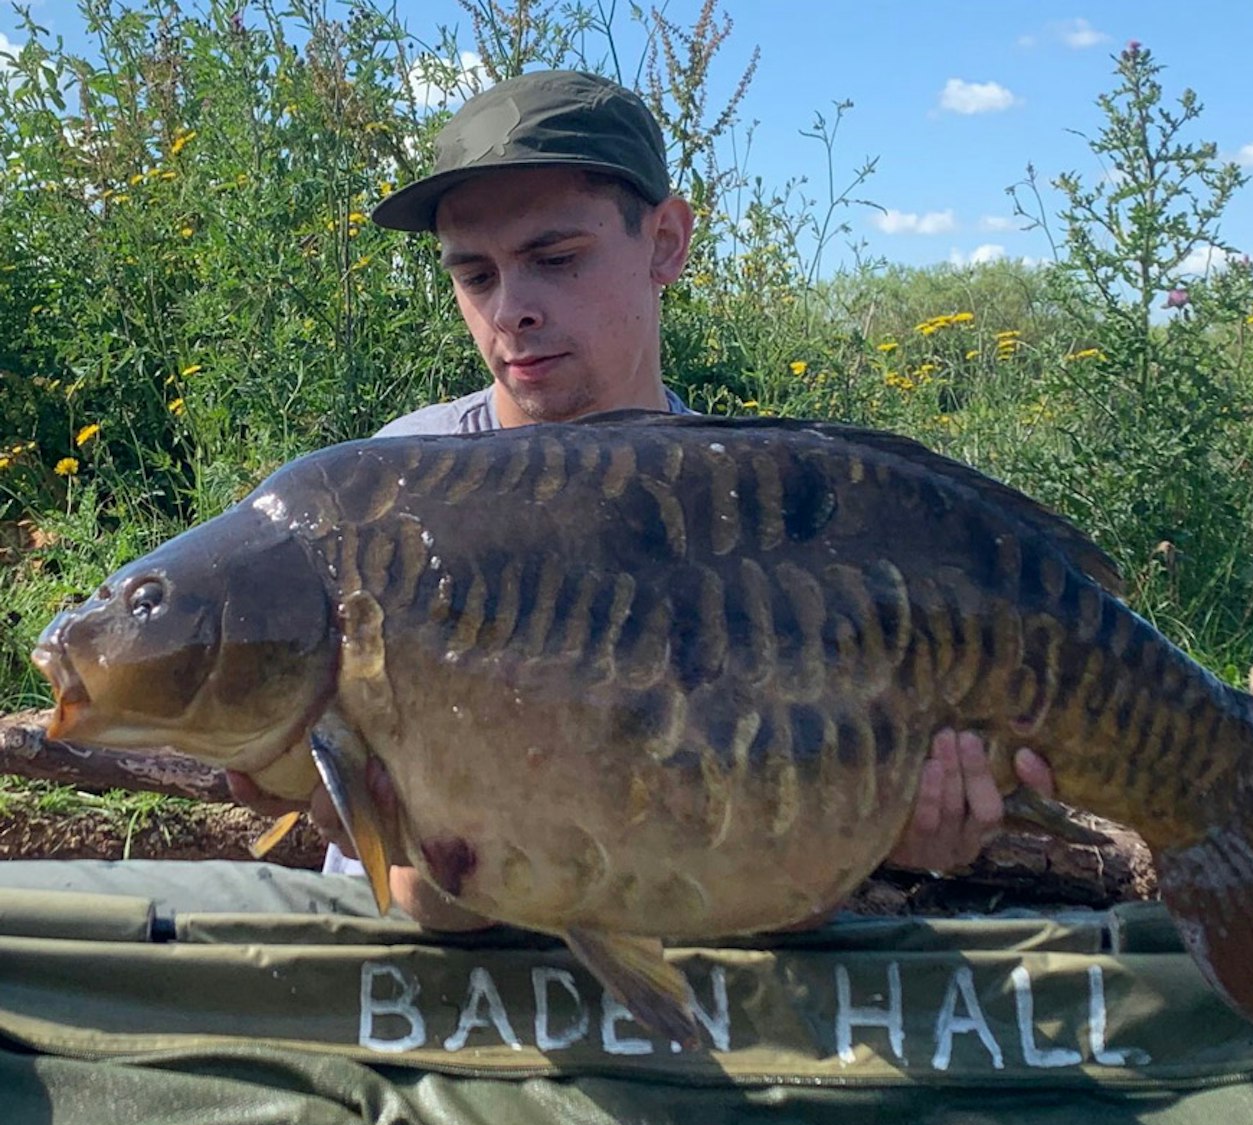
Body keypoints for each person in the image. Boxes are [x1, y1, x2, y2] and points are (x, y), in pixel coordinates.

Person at [228, 69, 1055, 927]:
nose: (511, 310)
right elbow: (416, 910)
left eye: (555, 260)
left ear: (666, 241)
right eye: (475, 275)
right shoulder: (384, 500)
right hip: (439, 996)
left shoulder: (756, 520)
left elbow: (755, 877)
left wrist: (882, 830)